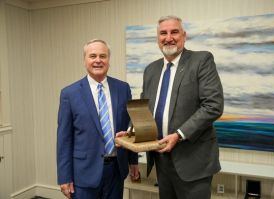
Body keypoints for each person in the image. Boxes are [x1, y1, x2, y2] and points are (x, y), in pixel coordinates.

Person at [141, 16, 224, 199]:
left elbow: (213, 105)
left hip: (193, 162)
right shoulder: (151, 70)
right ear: (157, 38)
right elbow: (144, 110)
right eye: (163, 33)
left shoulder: (201, 60)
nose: (168, 37)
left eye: (174, 32)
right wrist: (132, 131)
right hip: (161, 160)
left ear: (184, 36)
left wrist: (179, 134)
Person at [56, 39, 139, 199]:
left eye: (103, 56)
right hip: (84, 173)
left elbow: (130, 127)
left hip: (116, 170)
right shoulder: (69, 94)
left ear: (108, 60)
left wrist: (133, 160)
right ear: (84, 60)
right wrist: (64, 176)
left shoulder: (123, 88)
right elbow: (64, 139)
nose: (98, 60)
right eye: (92, 56)